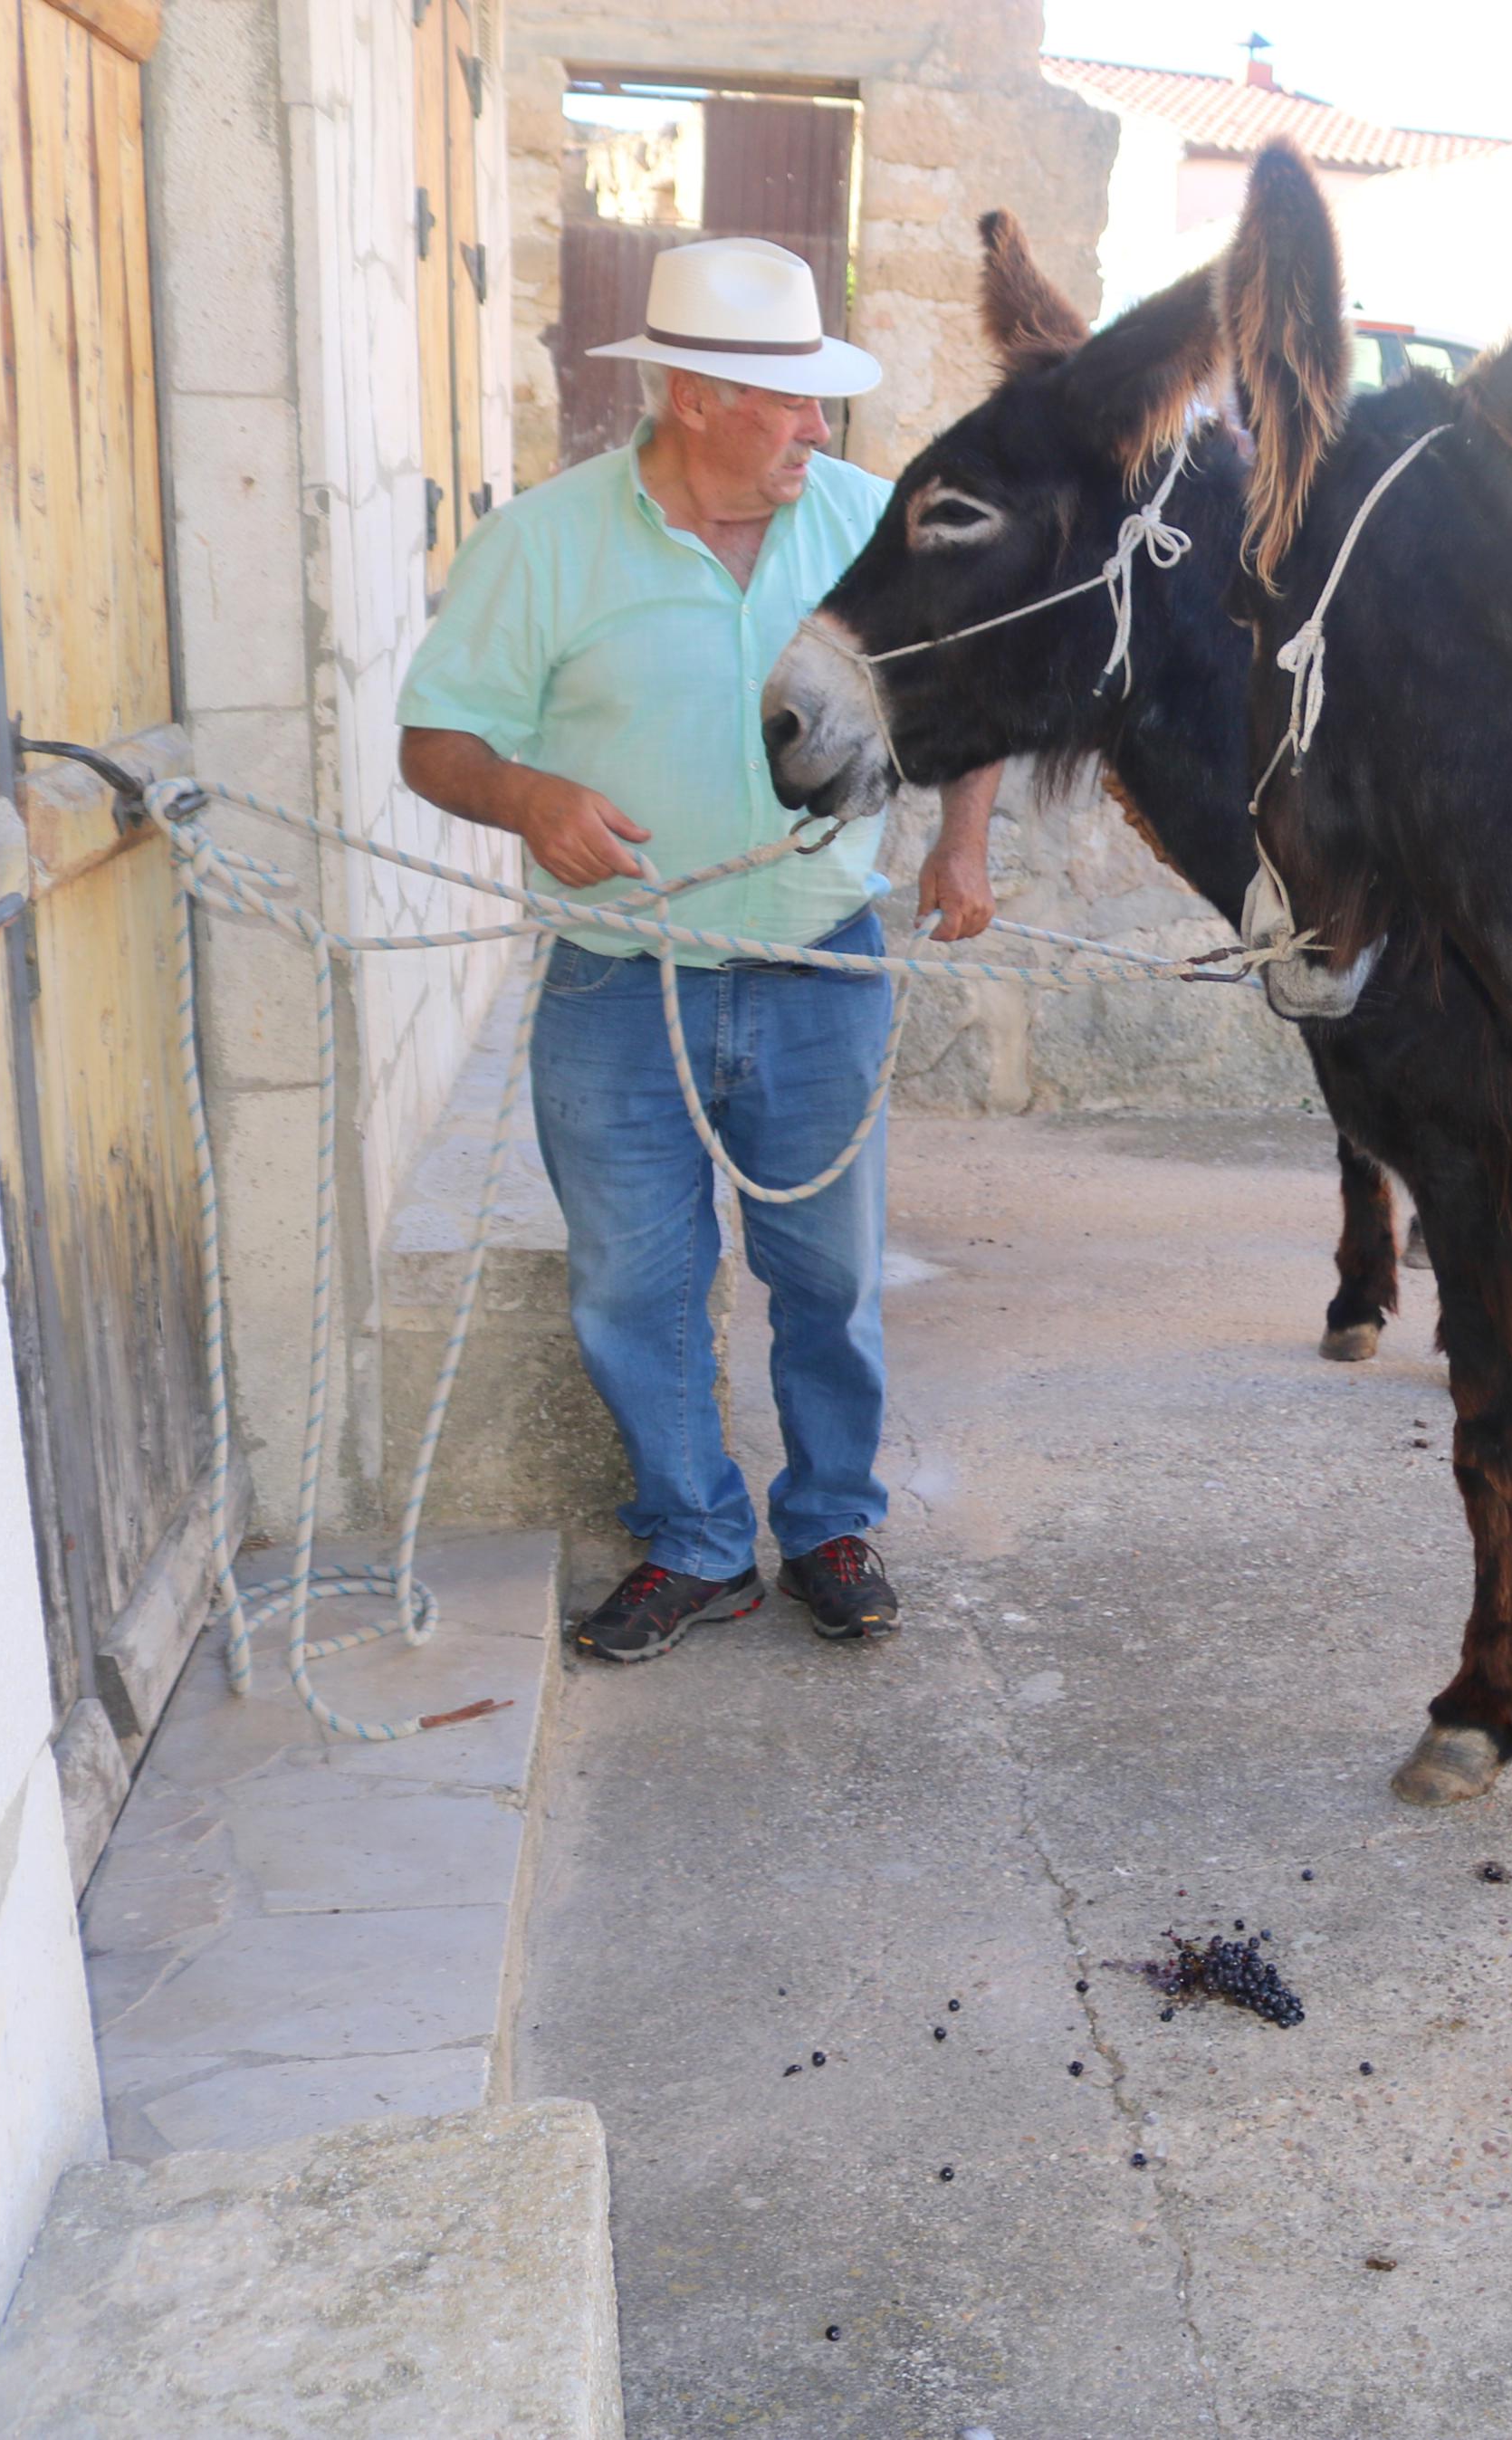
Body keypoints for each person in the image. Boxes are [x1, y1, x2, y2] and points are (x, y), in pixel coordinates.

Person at [397, 237, 998, 1661]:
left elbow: (977, 690)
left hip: (821, 967)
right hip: (618, 982)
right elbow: (435, 741)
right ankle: (696, 1543)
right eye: (787, 400)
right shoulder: (543, 546)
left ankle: (831, 1525)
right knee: (631, 1282)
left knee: (833, 1277)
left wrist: (964, 842)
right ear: (688, 395)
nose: (818, 426)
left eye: (820, 399)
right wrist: (528, 798)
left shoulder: (867, 527)